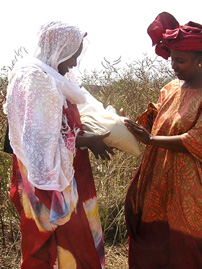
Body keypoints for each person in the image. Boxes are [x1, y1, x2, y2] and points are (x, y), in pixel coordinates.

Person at [124, 12, 202, 269]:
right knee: (155, 242)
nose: (174, 66)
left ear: (200, 60)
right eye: (173, 60)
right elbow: (156, 119)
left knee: (189, 247)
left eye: (181, 61)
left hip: (194, 186)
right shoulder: (171, 88)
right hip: (159, 180)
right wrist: (125, 125)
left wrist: (151, 139)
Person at [4, 21, 114, 268]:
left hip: (71, 170)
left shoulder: (54, 76)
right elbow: (39, 142)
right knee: (49, 244)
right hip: (44, 180)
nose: (74, 63)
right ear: (56, 51)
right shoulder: (36, 80)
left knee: (79, 237)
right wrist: (87, 141)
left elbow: (67, 120)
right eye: (71, 56)